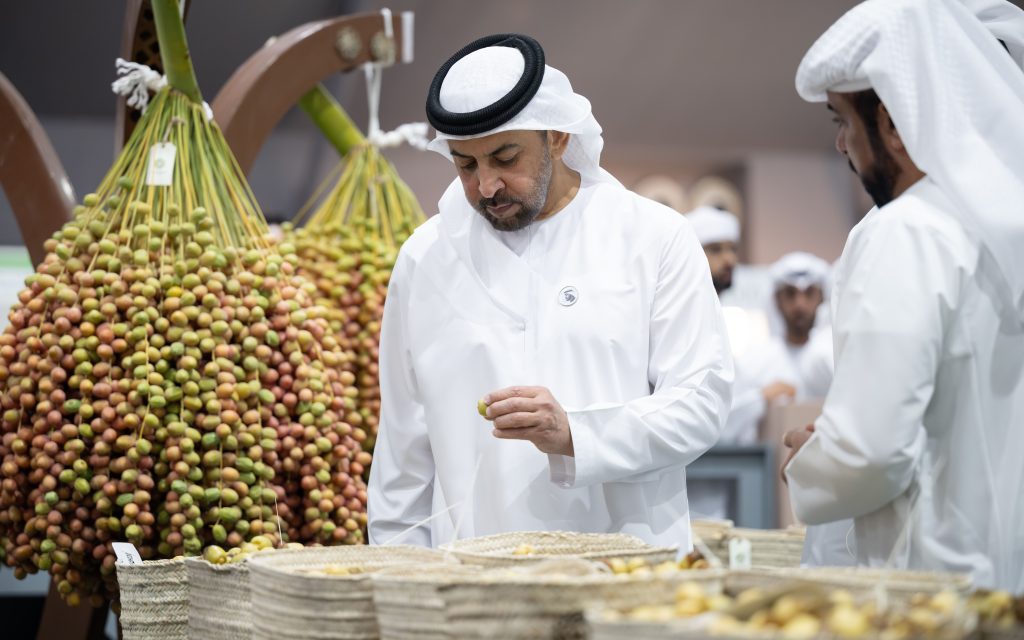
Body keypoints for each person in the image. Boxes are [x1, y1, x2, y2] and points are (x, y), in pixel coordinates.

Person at [367, 34, 733, 549]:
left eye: (505, 156)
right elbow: (402, 455)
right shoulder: (425, 258)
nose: (487, 186)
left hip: (628, 578)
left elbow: (701, 403)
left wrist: (576, 435)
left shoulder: (652, 237)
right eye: (465, 165)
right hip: (471, 590)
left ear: (558, 136)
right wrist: (396, 586)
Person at [782, 0, 1024, 590]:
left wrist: (809, 465)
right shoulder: (1001, 222)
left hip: (931, 588)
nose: (842, 146)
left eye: (842, 121)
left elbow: (869, 455)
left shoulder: (908, 229)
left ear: (892, 122)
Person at [723, 252, 833, 446]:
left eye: (809, 294)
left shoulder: (833, 358)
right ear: (776, 300)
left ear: (822, 298)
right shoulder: (754, 360)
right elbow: (724, 427)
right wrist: (761, 398)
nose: (800, 304)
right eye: (790, 294)